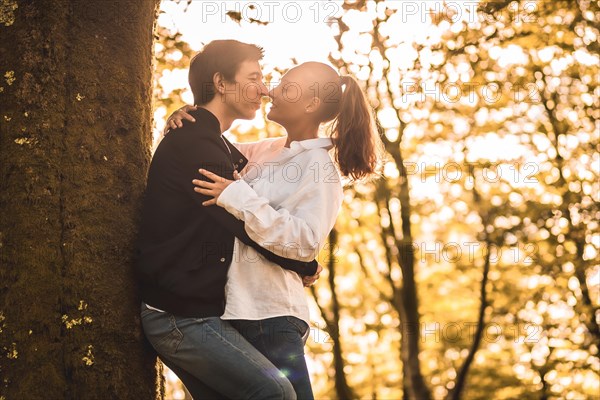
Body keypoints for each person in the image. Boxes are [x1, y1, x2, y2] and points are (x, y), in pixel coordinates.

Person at [167, 61, 382, 399]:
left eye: (286, 86)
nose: (271, 91)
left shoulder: (319, 167)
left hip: (270, 316)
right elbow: (201, 155)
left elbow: (306, 241)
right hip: (231, 312)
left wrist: (236, 196)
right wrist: (185, 119)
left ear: (311, 104)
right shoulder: (264, 150)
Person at [136, 40, 323, 400]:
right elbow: (243, 226)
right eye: (254, 77)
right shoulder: (195, 145)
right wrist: (304, 262)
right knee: (277, 393)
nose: (265, 89)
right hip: (177, 316)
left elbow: (262, 169)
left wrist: (183, 110)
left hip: (198, 314)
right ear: (221, 83)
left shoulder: (213, 144)